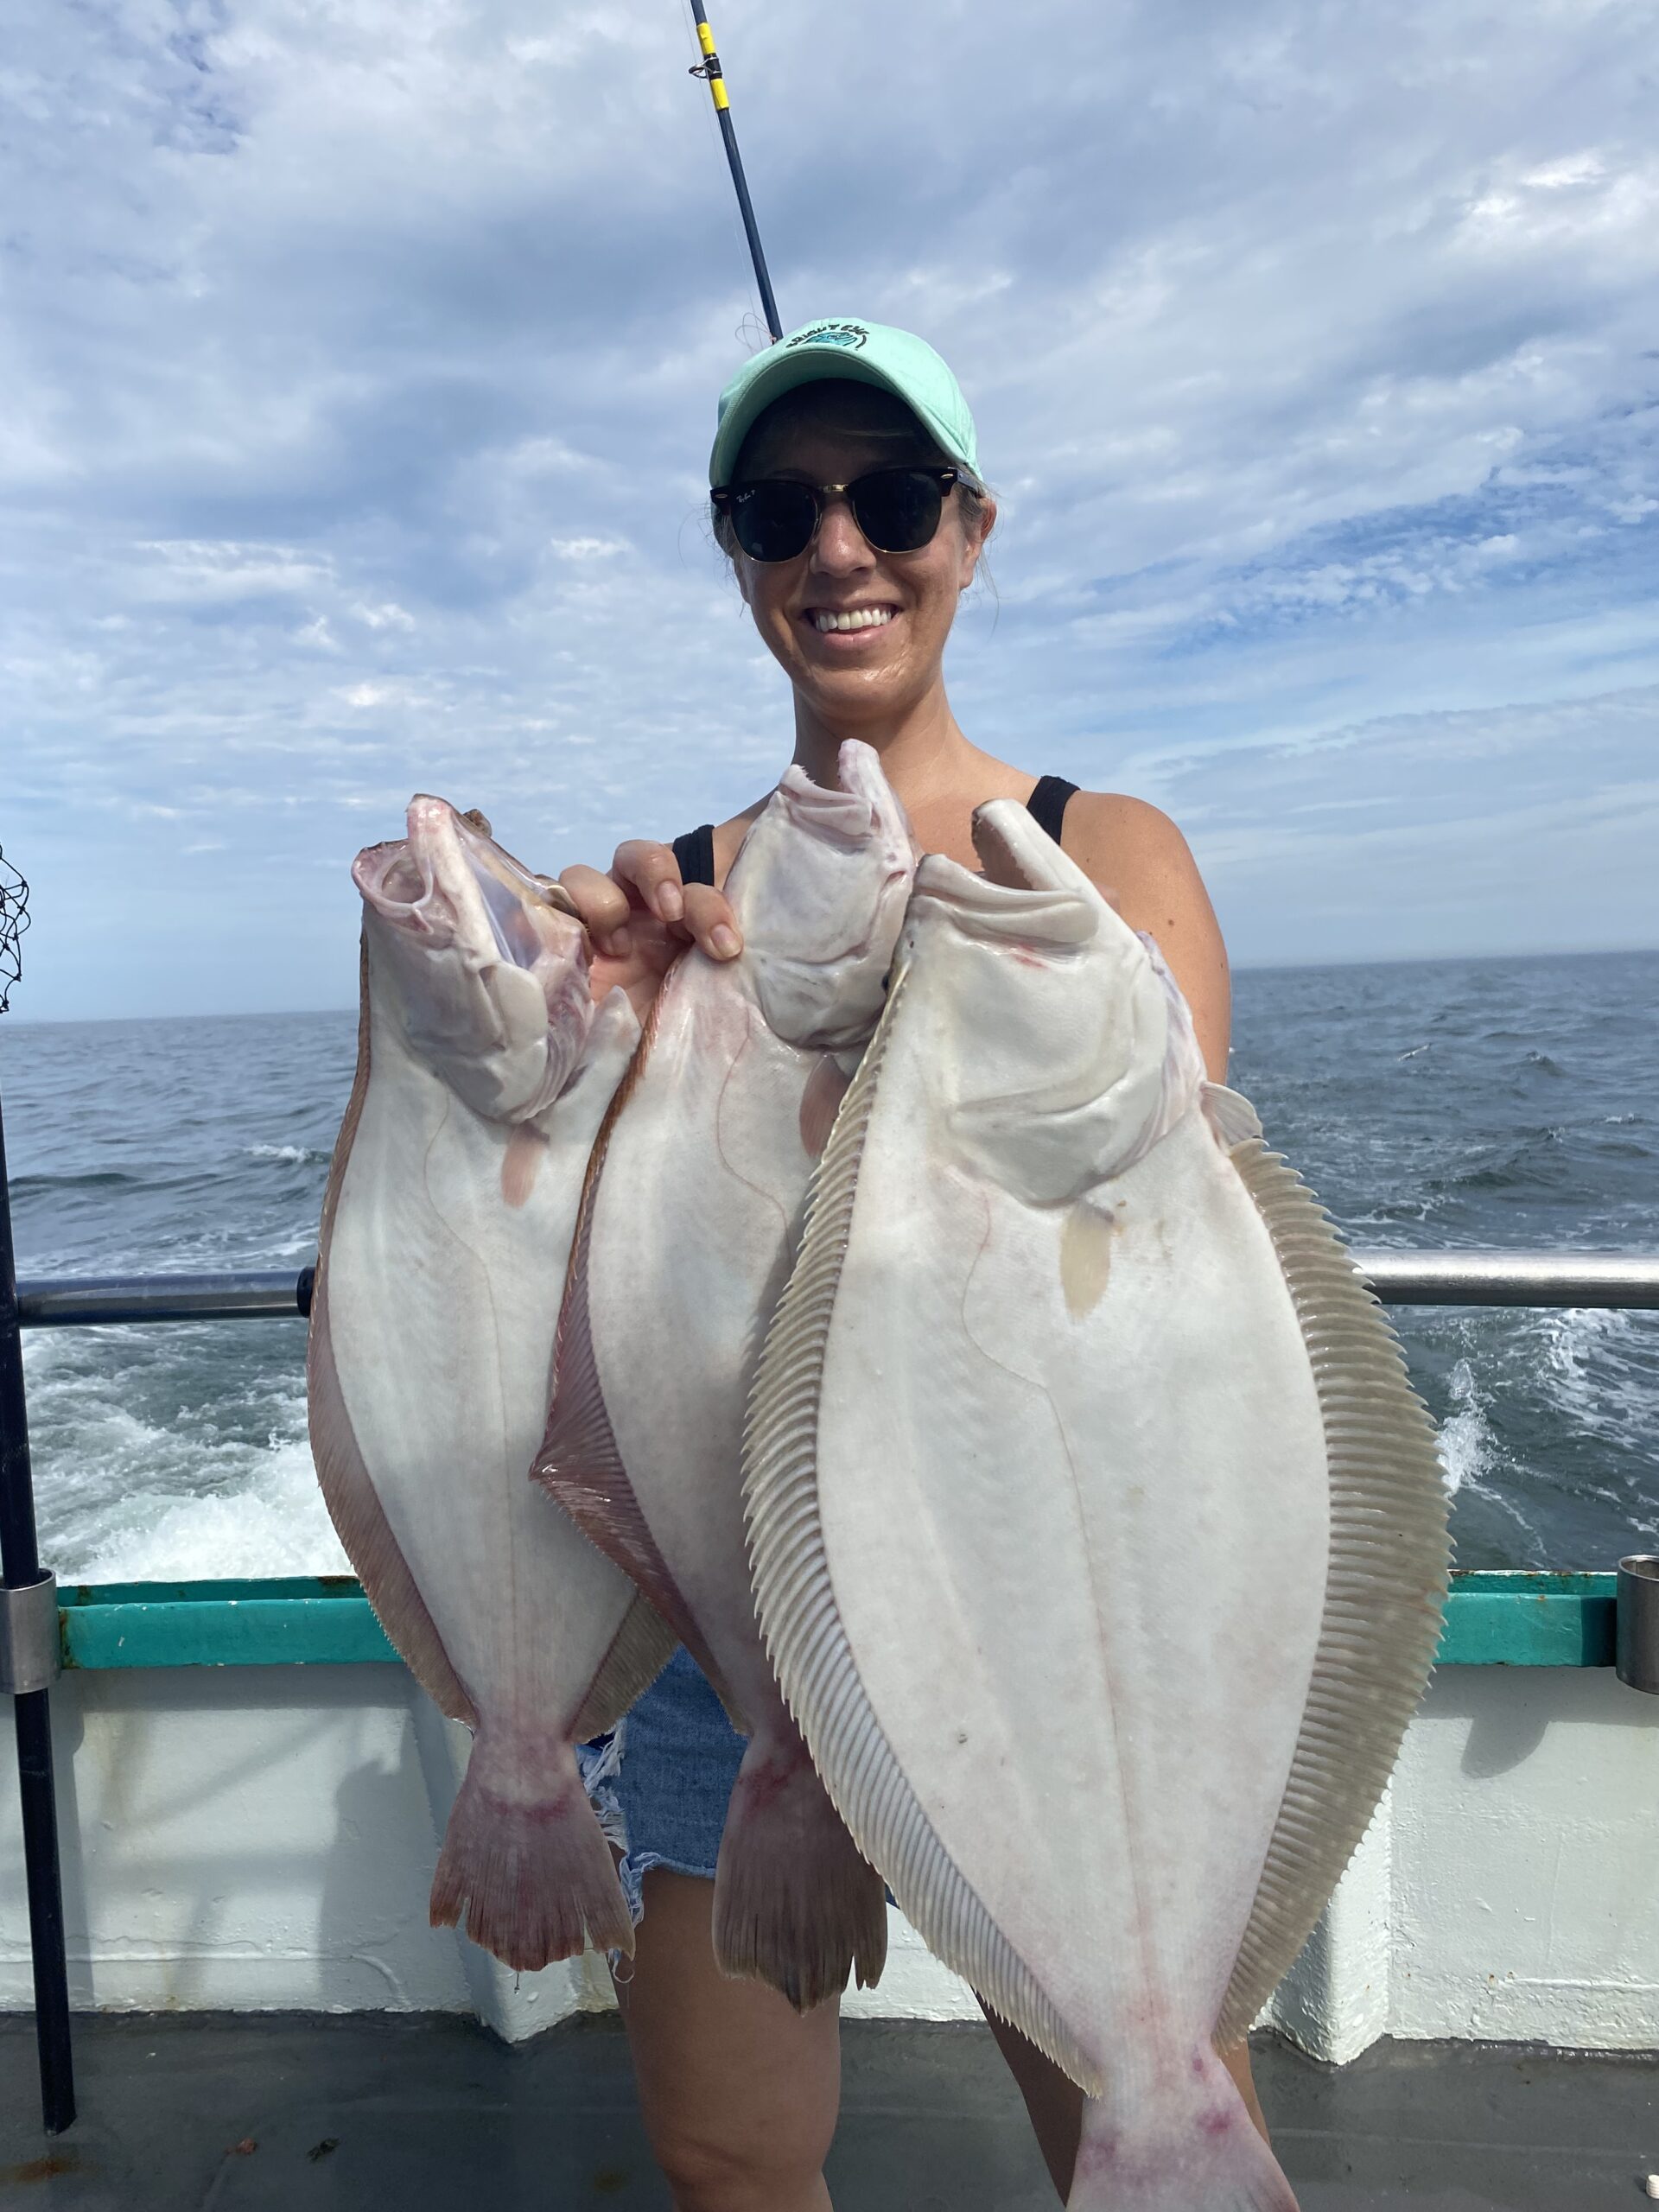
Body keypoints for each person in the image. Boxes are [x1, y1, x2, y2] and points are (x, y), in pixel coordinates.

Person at [556, 317, 1259, 2212]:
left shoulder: (1095, 854)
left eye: (894, 495)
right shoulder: (683, 899)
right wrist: (569, 1024)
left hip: (1051, 1585)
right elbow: (569, 1256)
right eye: (782, 506)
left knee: (1134, 2073)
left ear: (974, 522)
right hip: (738, 1614)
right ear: (739, 552)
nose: (841, 546)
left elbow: (1153, 1191)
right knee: (727, 2148)